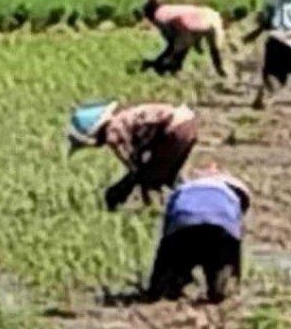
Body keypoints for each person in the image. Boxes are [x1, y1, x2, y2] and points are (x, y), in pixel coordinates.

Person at [67, 100, 199, 211]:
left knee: (153, 177)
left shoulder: (112, 134)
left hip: (174, 130)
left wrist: (129, 185)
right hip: (187, 122)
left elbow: (133, 165)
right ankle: (196, 198)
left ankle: (169, 208)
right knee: (169, 174)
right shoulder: (122, 119)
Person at [146, 167, 250, 303]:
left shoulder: (184, 189)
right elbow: (235, 245)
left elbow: (166, 237)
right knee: (219, 288)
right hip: (219, 228)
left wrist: (156, 285)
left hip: (185, 224)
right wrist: (235, 278)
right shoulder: (231, 197)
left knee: (171, 275)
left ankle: (167, 286)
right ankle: (217, 290)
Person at [140, 0, 227, 78]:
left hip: (186, 25)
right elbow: (213, 48)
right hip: (191, 21)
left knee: (178, 49)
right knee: (180, 48)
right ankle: (163, 66)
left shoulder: (160, 14)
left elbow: (178, 34)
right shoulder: (211, 20)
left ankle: (159, 66)